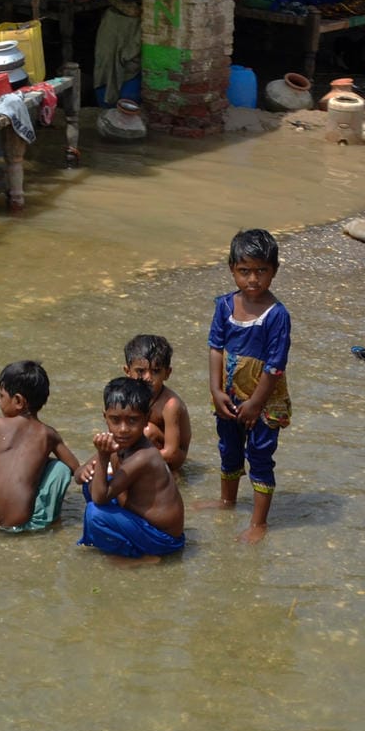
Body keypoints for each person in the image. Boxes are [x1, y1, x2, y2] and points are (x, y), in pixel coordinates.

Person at [198, 228, 292, 544]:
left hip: (263, 400)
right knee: (229, 448)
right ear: (232, 270)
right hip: (229, 395)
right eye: (245, 271)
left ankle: (259, 523)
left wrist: (256, 403)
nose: (253, 279)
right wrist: (215, 390)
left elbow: (275, 365)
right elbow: (215, 347)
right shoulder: (225, 306)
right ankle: (227, 501)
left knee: (261, 455)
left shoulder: (277, 315)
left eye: (261, 271)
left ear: (274, 271)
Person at [75, 377, 186, 563]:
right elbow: (79, 474)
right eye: (115, 420)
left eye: (133, 420)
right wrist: (84, 472)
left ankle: (141, 557)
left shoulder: (144, 456)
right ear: (105, 417)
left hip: (164, 539)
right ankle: (130, 543)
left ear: (146, 419)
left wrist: (103, 457)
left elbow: (100, 498)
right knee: (91, 483)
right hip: (144, 523)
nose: (123, 429)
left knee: (94, 513)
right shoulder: (119, 442)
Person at [0, 360, 82, 532]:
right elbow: (76, 470)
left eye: (1, 396)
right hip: (26, 524)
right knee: (59, 468)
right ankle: (51, 521)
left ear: (18, 401)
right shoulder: (49, 435)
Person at [123, 334, 191, 471]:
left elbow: (171, 453)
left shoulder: (170, 405)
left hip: (172, 458)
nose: (148, 378)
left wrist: (134, 462)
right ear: (127, 372)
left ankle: (169, 476)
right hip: (147, 454)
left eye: (155, 371)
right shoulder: (129, 395)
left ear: (167, 373)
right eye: (140, 371)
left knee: (148, 431)